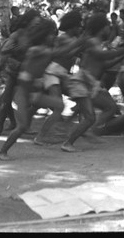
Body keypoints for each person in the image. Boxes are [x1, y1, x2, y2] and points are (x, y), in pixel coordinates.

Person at [0, 18, 88, 160]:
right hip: (23, 93)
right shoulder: (37, 50)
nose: (54, 36)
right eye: (52, 34)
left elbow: (60, 52)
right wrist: (80, 41)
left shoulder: (43, 50)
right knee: (21, 127)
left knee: (59, 105)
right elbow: (58, 53)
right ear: (44, 35)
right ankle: (2, 152)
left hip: (32, 92)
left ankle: (41, 136)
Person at [61, 12, 124, 153]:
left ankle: (85, 130)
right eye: (107, 26)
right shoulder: (91, 41)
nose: (109, 29)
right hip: (83, 82)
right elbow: (103, 56)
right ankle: (69, 142)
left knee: (109, 107)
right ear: (102, 28)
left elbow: (105, 64)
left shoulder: (96, 42)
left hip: (90, 83)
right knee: (91, 116)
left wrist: (123, 54)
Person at [34, 9, 84, 145]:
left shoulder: (74, 39)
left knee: (83, 98)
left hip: (62, 75)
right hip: (52, 73)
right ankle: (40, 137)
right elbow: (54, 53)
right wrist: (75, 47)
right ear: (72, 27)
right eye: (78, 26)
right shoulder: (62, 38)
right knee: (58, 108)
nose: (80, 28)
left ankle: (67, 128)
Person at [0, 9, 42, 136]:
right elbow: (4, 51)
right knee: (6, 101)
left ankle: (24, 125)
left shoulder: (37, 35)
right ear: (29, 21)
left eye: (38, 24)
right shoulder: (18, 34)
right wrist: (17, 50)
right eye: (35, 23)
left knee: (29, 101)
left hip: (27, 72)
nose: (36, 26)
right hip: (13, 71)